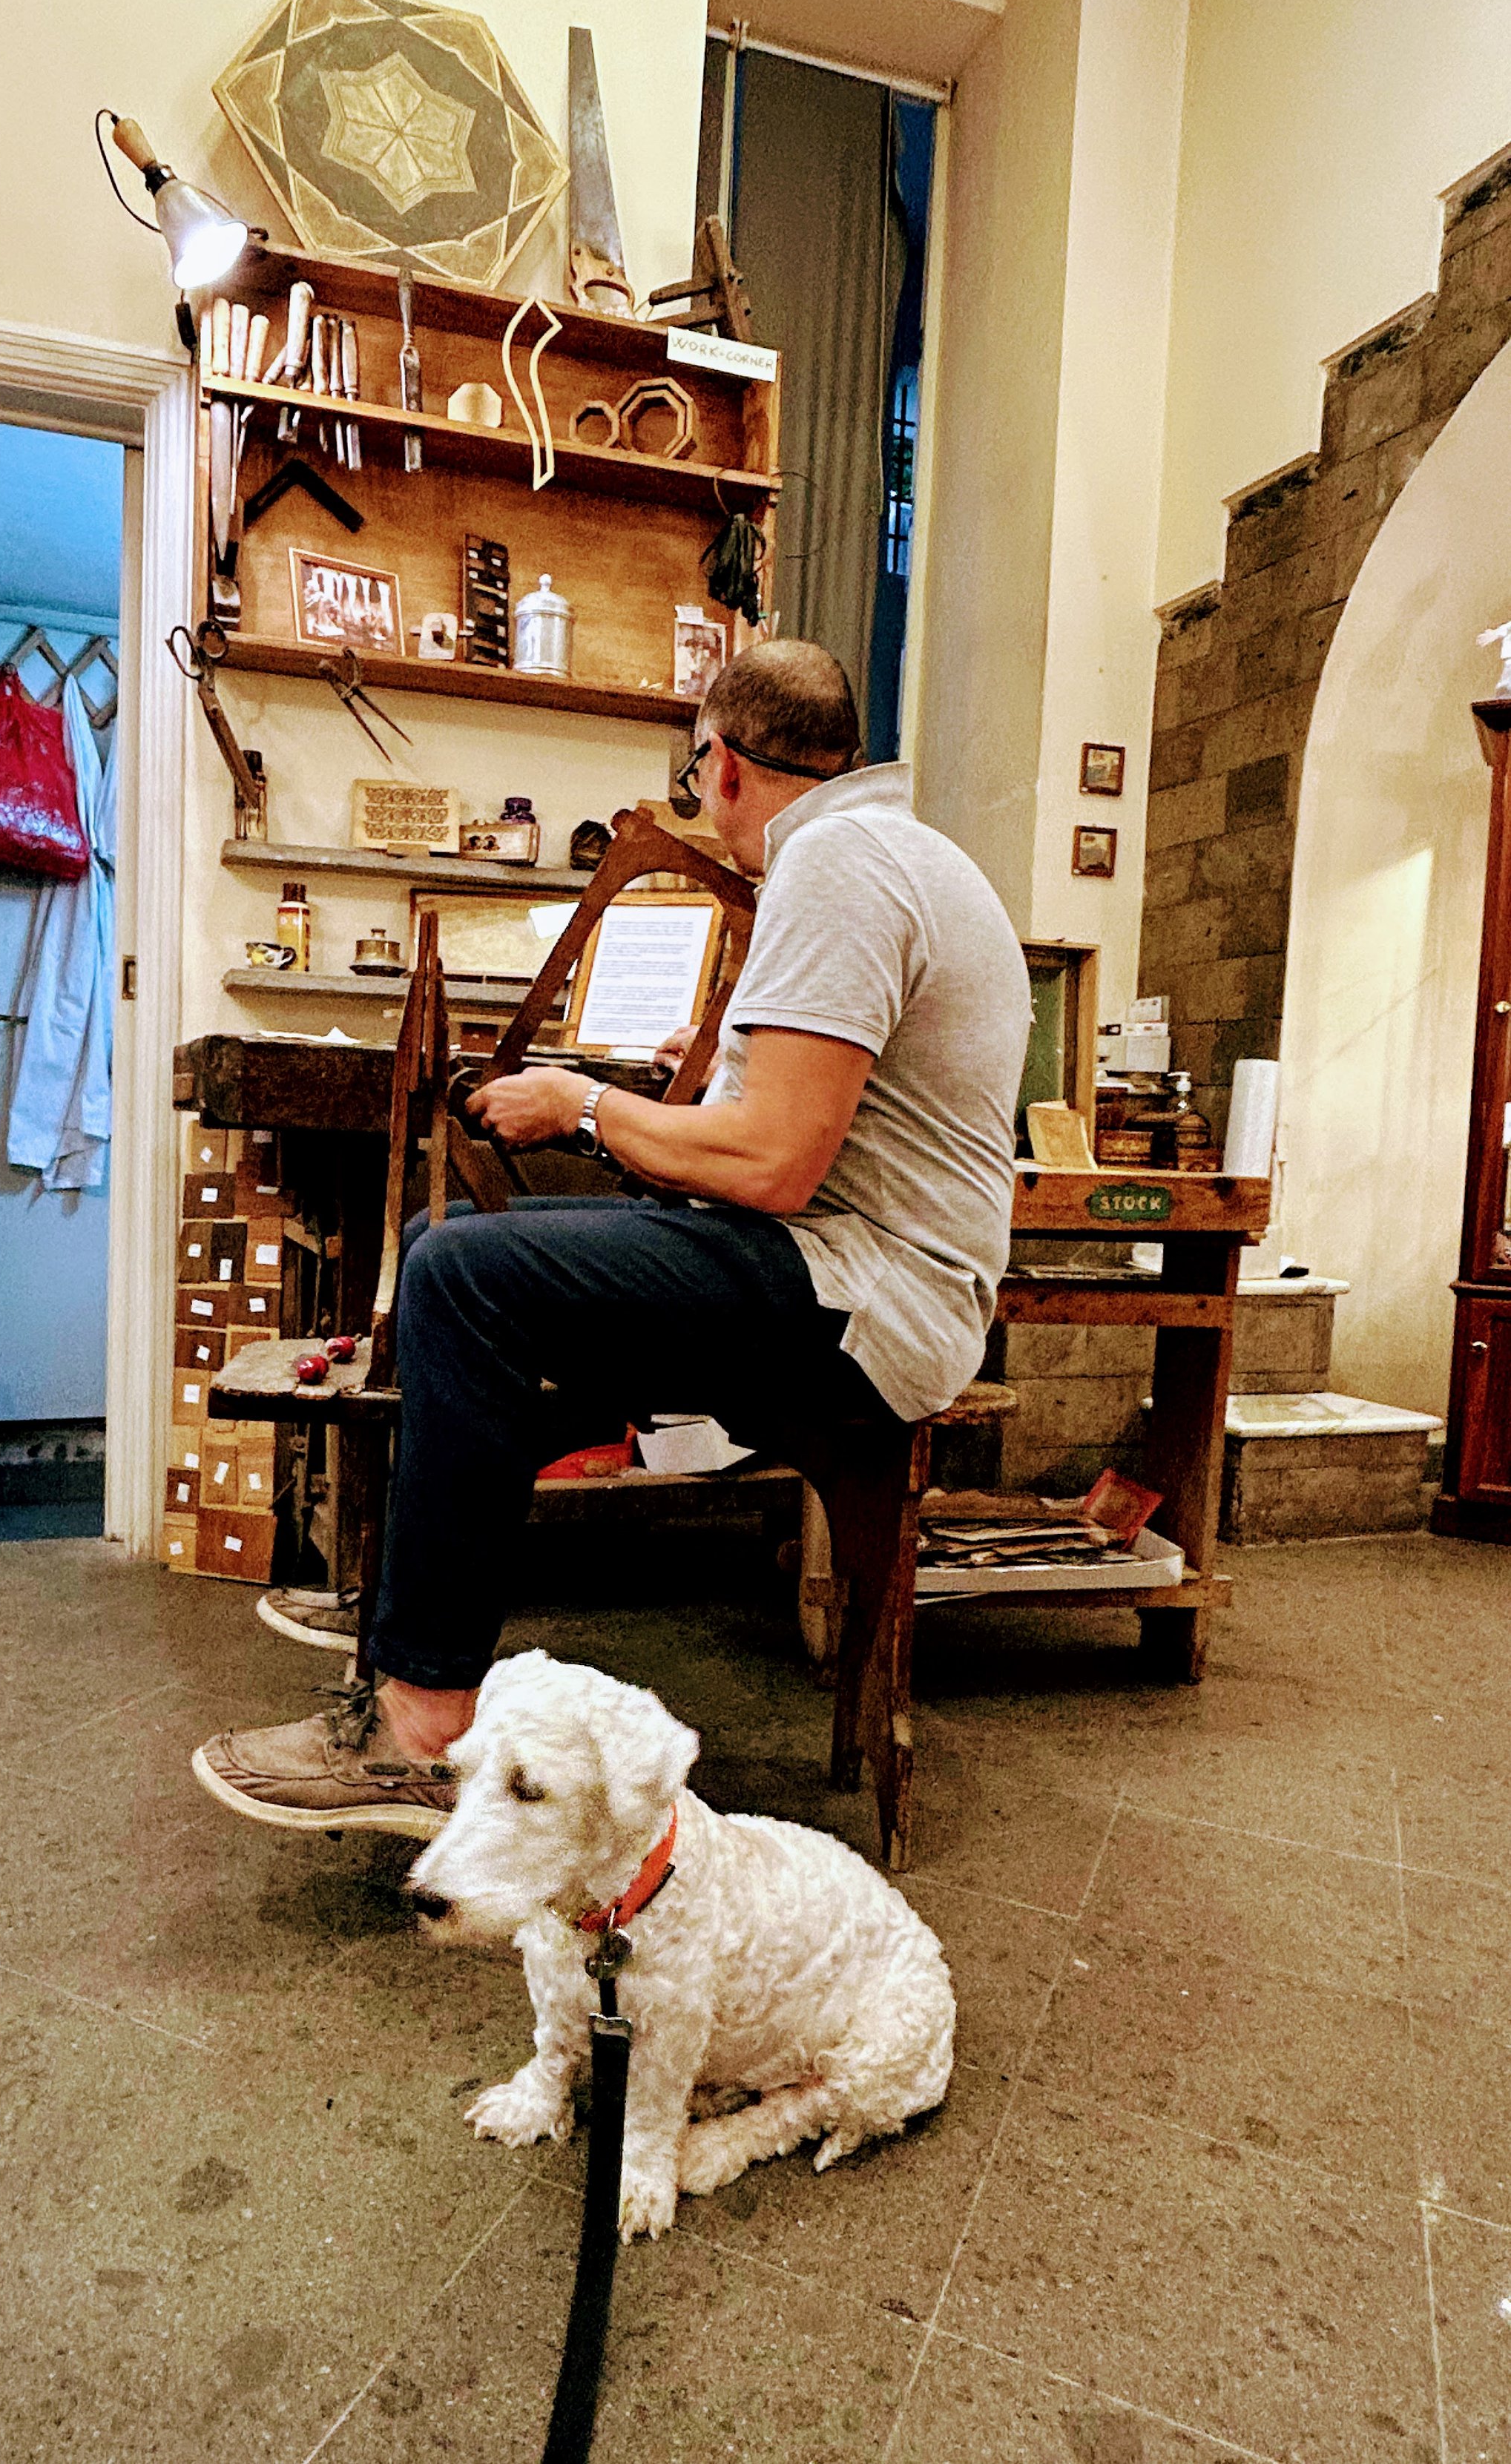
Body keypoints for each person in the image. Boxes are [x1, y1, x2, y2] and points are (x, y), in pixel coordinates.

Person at [192, 639, 1033, 1834]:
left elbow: (774, 1162)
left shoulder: (837, 863)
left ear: (724, 763)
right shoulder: (887, 847)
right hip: (839, 1260)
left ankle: (420, 1728)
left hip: (870, 1298)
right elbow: (805, 1124)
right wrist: (678, 1094)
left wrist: (581, 1106)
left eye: (698, 778)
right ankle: (411, 1617)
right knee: (444, 1241)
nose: (705, 802)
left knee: (463, 1277)